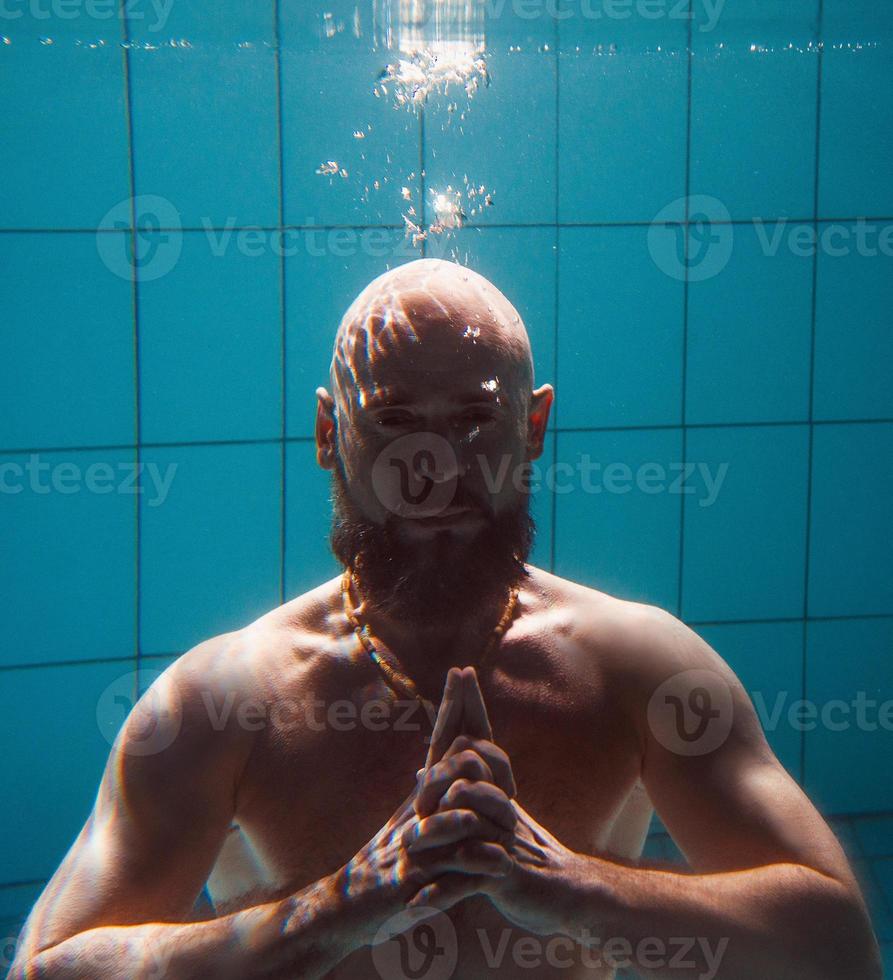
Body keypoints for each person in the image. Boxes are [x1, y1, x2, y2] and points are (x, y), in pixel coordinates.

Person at [11, 259, 880, 979]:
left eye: (474, 421)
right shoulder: (223, 699)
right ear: (327, 433)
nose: (432, 470)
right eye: (392, 420)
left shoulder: (634, 666)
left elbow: (837, 946)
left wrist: (565, 885)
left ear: (533, 426)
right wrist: (336, 907)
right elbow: (49, 969)